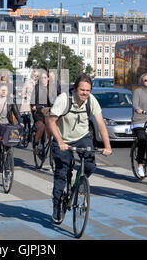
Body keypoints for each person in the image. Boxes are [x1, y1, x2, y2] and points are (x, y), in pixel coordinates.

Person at [47, 74, 112, 224]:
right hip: (62, 138)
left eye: (87, 90)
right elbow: (51, 121)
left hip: (82, 137)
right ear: (75, 89)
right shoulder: (64, 99)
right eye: (82, 90)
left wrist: (107, 146)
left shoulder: (91, 100)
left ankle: (78, 183)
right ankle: (57, 206)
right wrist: (60, 142)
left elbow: (101, 124)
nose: (84, 93)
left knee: (90, 165)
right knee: (61, 174)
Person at [0, 84, 23, 161]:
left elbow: (16, 112)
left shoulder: (10, 101)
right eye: (1, 90)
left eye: (5, 90)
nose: (3, 91)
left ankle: (8, 154)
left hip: (7, 123)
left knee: (10, 138)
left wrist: (20, 122)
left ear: (7, 92)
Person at [30, 71, 52, 157]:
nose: (43, 79)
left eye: (45, 77)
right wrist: (33, 105)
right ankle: (36, 143)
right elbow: (32, 99)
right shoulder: (36, 88)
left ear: (48, 78)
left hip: (48, 111)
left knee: (52, 127)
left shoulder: (51, 89)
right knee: (41, 127)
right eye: (42, 77)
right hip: (38, 112)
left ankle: (51, 142)